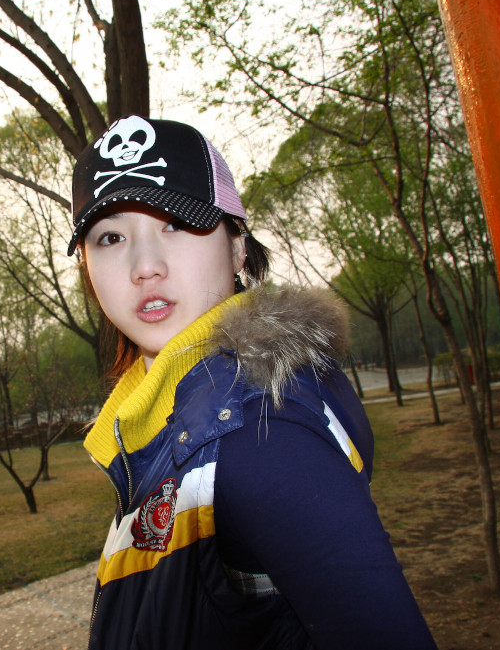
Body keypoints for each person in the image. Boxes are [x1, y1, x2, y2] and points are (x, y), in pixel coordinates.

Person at [68, 115, 437, 650]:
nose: (144, 266)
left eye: (176, 223)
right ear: (87, 268)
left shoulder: (258, 428)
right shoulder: (161, 422)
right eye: (110, 237)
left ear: (238, 246)